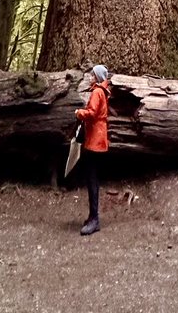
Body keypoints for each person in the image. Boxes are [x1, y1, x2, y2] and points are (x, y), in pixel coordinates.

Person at [75, 63, 111, 236]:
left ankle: (94, 219)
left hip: (95, 139)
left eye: (92, 75)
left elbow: (92, 113)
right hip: (97, 137)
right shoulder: (101, 91)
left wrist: (78, 113)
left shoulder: (97, 92)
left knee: (92, 179)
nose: (90, 77)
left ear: (97, 77)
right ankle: (92, 216)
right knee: (92, 178)